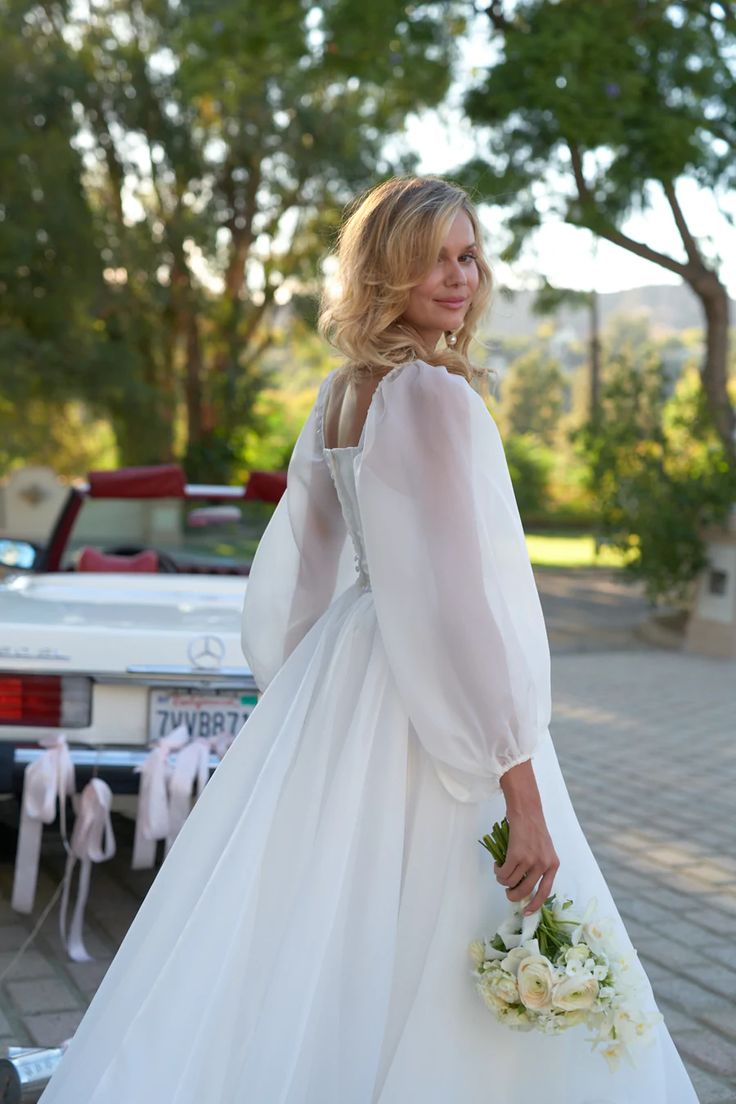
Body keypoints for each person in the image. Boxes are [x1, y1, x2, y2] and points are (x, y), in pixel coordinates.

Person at [40, 176, 699, 1103]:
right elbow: (460, 604)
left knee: (324, 925)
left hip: (346, 669)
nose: (460, 276)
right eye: (434, 257)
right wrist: (519, 779)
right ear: (386, 269)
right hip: (430, 689)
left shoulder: (344, 394)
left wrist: (306, 697)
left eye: (469, 255)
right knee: (452, 912)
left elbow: (304, 566)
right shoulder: (431, 394)